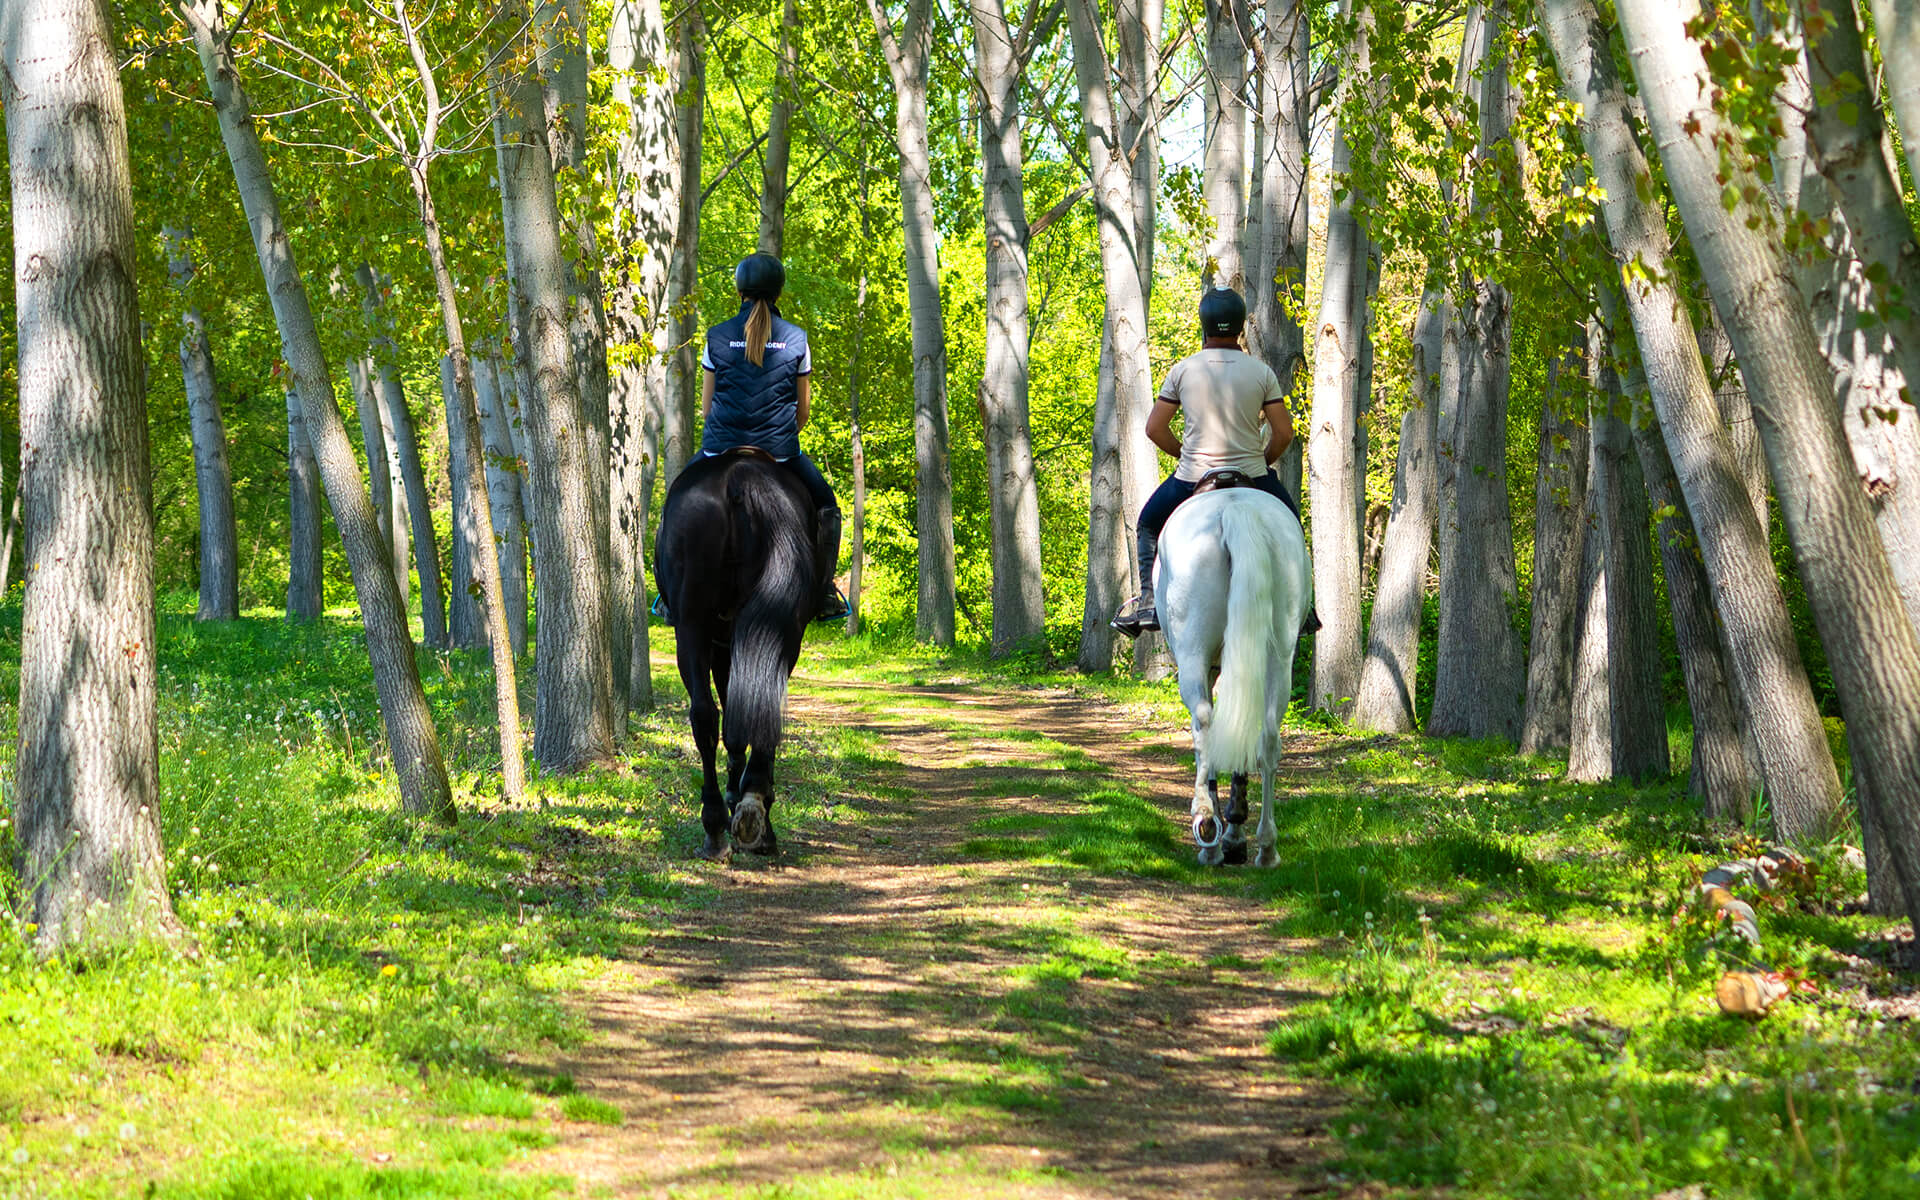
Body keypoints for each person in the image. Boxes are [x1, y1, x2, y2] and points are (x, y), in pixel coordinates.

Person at [653, 252, 849, 624]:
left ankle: (668, 594)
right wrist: (776, 437)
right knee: (826, 505)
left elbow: (708, 408)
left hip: (719, 447)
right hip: (779, 451)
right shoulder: (796, 339)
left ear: (739, 290)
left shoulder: (717, 336)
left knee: (675, 499)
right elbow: (802, 413)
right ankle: (824, 592)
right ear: (778, 292)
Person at [1111, 285, 1313, 638]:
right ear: (1240, 328)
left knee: (1147, 524)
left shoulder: (1183, 370)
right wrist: (1263, 461)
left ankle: (1147, 602)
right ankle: (1304, 608)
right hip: (1251, 473)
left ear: (1202, 326)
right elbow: (1283, 433)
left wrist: (1183, 454)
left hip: (1193, 476)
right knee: (1292, 525)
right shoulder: (1261, 372)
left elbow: (1155, 428)